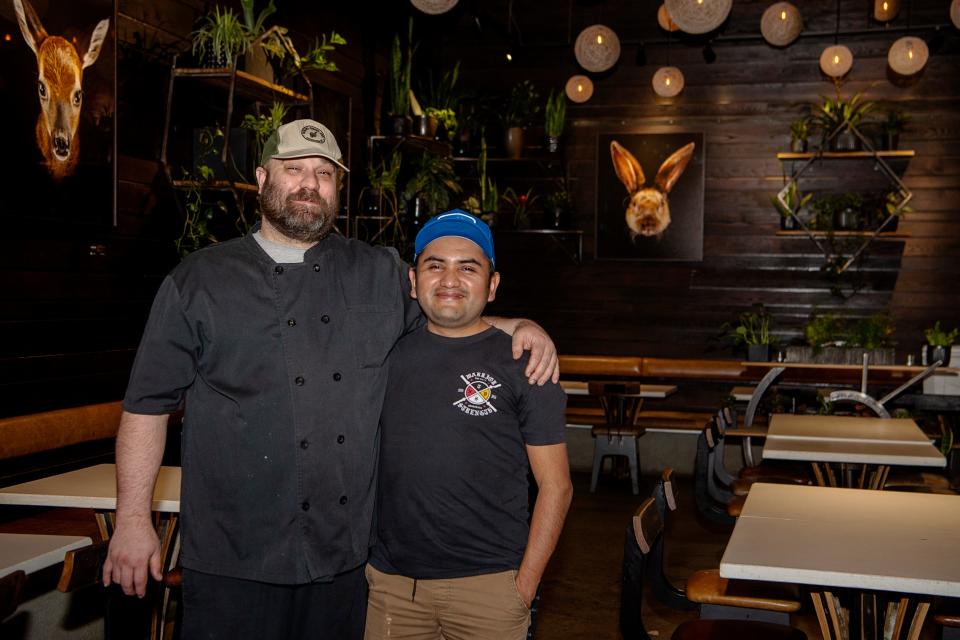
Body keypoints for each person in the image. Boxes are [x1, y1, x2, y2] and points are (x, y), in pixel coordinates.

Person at [103, 120, 560, 640]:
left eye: (324, 173)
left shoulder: (380, 272)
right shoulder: (198, 281)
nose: (308, 183)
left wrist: (520, 326)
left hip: (343, 561)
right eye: (293, 168)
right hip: (234, 558)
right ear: (260, 178)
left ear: (339, 187)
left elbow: (451, 315)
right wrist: (134, 520)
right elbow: (146, 407)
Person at [365, 210, 573, 640]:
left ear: (493, 285)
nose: (449, 280)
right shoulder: (382, 358)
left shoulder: (526, 364)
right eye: (435, 265)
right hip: (392, 589)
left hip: (491, 588)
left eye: (468, 267)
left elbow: (557, 486)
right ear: (412, 281)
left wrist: (524, 586)